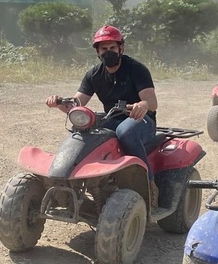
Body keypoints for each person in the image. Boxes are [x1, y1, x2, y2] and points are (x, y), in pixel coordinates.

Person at [46, 25, 159, 206]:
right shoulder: (94, 74)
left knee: (125, 131)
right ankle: (71, 181)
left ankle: (148, 182)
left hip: (141, 120)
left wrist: (142, 105)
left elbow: (152, 101)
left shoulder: (136, 69)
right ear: (98, 52)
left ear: (120, 48)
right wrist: (58, 103)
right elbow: (76, 103)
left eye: (112, 48)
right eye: (104, 49)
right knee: (82, 127)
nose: (108, 52)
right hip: (112, 117)